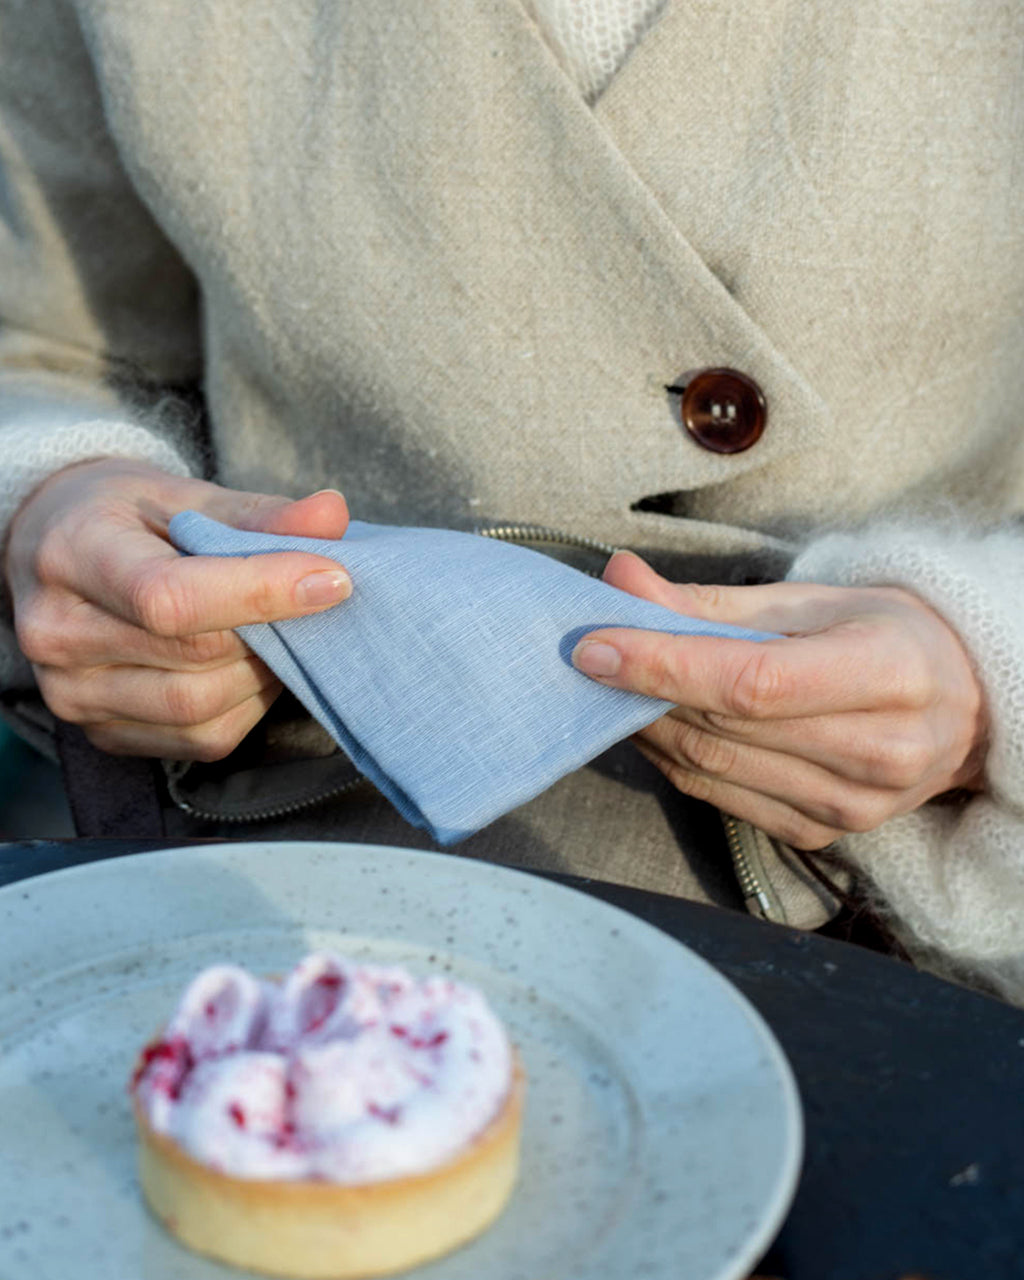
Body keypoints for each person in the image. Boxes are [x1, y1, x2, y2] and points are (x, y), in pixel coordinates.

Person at [1, 1, 1021, 1000]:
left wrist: (991, 674)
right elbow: (38, 340)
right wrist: (57, 493)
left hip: (891, 972)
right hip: (295, 911)